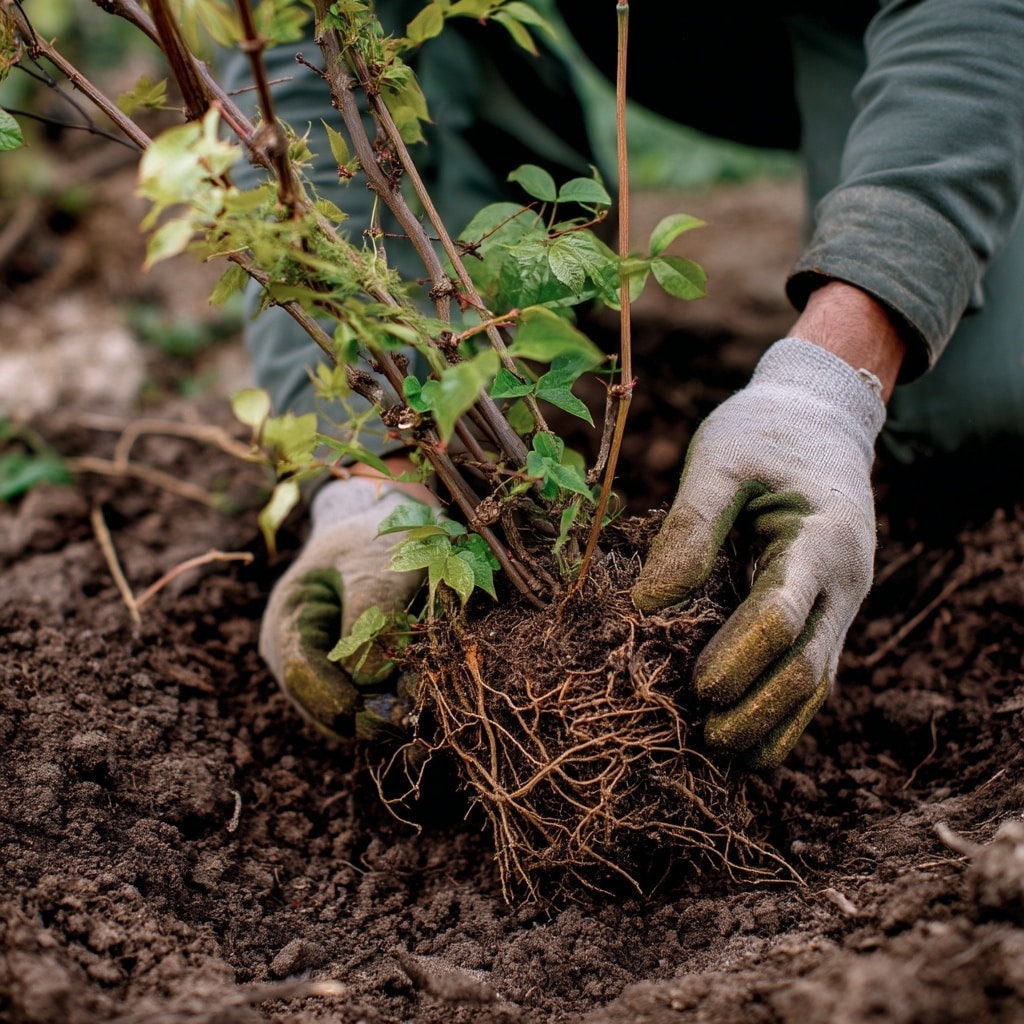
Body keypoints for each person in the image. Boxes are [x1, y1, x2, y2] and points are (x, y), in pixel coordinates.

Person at [226, 4, 1024, 765]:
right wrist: (373, 476)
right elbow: (291, 73)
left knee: (980, 406)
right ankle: (521, 278)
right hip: (630, 33)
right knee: (487, 364)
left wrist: (831, 383)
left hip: (880, 19)